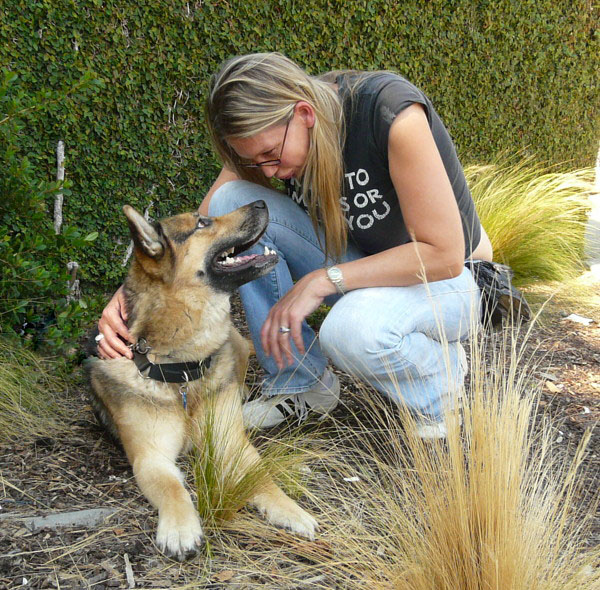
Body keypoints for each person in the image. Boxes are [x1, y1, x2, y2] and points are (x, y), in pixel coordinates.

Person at [97, 52, 493, 439]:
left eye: (270, 155)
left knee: (350, 331)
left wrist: (323, 279)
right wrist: (139, 289)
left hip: (451, 281)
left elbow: (443, 254)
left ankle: (439, 386)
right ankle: (301, 383)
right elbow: (202, 230)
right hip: (367, 269)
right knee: (231, 203)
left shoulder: (389, 113)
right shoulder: (275, 124)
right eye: (254, 161)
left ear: (304, 114)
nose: (269, 171)